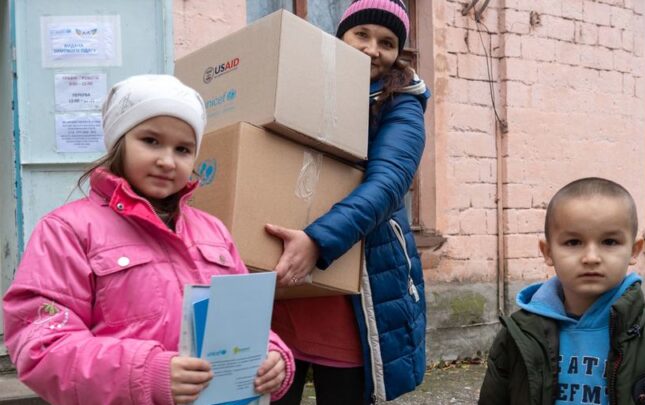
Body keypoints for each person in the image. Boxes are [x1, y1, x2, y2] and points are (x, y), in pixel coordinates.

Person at [2, 74, 295, 405]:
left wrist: (274, 357)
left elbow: (243, 320)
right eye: (151, 141)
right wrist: (146, 374)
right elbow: (41, 346)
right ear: (118, 142)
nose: (167, 161)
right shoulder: (67, 230)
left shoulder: (213, 231)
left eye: (183, 149)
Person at [264, 0, 430, 403]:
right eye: (362, 34)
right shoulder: (303, 83)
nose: (373, 49)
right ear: (341, 36)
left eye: (387, 42)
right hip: (279, 276)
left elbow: (388, 183)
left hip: (352, 282)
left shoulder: (402, 105)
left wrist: (318, 241)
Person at [478, 177, 645, 405]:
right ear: (548, 252)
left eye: (610, 242)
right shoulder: (518, 337)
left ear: (634, 250)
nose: (591, 257)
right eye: (573, 242)